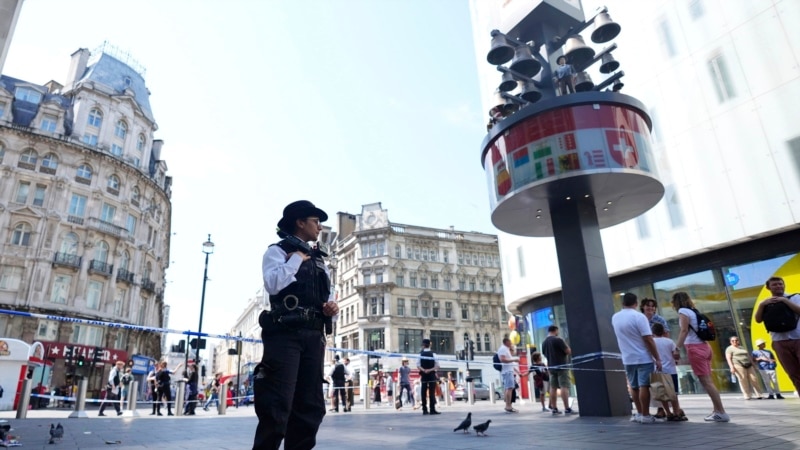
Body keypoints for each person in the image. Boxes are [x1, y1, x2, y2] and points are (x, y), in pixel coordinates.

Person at [252, 200, 338, 450]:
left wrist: (331, 307)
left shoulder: (320, 261)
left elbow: (328, 295)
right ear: (300, 222)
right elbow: (273, 284)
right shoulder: (276, 251)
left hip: (314, 336)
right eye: (315, 221)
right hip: (285, 335)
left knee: (310, 407)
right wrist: (296, 260)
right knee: (277, 404)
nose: (320, 227)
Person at [672, 291, 730, 422]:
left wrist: (677, 348)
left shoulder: (683, 311)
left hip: (695, 348)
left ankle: (721, 412)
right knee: (709, 381)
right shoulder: (694, 311)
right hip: (705, 347)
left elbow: (684, 330)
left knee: (707, 383)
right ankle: (717, 410)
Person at [611, 293, 662, 424]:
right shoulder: (639, 317)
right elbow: (648, 339)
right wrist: (657, 357)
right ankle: (646, 415)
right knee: (644, 385)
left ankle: (639, 413)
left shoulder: (615, 317)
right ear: (636, 303)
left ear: (623, 303)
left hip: (627, 358)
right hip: (643, 357)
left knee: (633, 387)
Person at [754, 276, 800, 395]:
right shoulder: (765, 303)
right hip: (779, 341)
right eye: (775, 285)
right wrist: (762, 305)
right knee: (793, 373)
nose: (778, 286)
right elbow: (758, 320)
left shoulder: (794, 297)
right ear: (768, 288)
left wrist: (785, 301)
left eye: (780, 284)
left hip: (797, 338)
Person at [651, 322, 685, 421]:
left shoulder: (651, 342)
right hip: (671, 370)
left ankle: (668, 413)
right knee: (673, 394)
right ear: (663, 331)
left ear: (652, 332)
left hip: (657, 370)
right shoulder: (669, 342)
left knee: (662, 394)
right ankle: (676, 412)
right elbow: (676, 355)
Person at [541, 325, 574, 415]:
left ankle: (554, 408)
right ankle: (567, 408)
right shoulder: (558, 340)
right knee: (564, 386)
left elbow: (544, 353)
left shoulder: (544, 342)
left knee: (553, 387)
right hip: (562, 366)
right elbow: (568, 351)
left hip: (551, 367)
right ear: (555, 330)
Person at [725, 336, 763, 400]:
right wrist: (731, 367)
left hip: (748, 364)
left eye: (736, 340)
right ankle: (747, 395)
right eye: (733, 341)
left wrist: (754, 365)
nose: (735, 342)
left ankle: (759, 394)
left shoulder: (741, 347)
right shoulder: (729, 349)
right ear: (730, 342)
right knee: (743, 379)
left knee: (754, 379)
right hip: (738, 365)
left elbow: (749, 357)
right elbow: (728, 358)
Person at [417, 338, 440, 415]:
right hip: (432, 375)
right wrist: (430, 370)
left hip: (423, 375)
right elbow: (437, 366)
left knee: (423, 392)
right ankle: (432, 409)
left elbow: (418, 365)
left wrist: (424, 370)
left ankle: (424, 410)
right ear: (429, 345)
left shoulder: (420, 354)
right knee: (432, 393)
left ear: (423, 345)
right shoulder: (434, 354)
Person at [497, 337, 520, 413]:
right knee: (509, 388)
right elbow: (502, 359)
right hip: (507, 371)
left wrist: (517, 371)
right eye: (510, 342)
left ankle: (509, 405)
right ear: (506, 342)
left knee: (510, 388)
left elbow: (509, 362)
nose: (511, 343)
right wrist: (514, 359)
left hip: (509, 371)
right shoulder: (503, 349)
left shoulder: (506, 349)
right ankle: (508, 406)